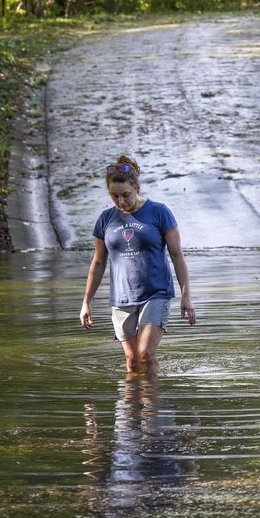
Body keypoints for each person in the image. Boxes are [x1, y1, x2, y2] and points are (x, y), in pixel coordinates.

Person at [80, 155, 196, 374]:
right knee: (133, 360)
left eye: (126, 194)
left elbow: (177, 255)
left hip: (156, 293)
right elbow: (98, 262)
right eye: (114, 196)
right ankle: (132, 407)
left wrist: (186, 296)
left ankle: (152, 407)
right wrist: (86, 302)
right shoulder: (105, 219)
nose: (121, 201)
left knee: (145, 353)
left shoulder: (159, 212)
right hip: (121, 297)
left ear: (137, 187)